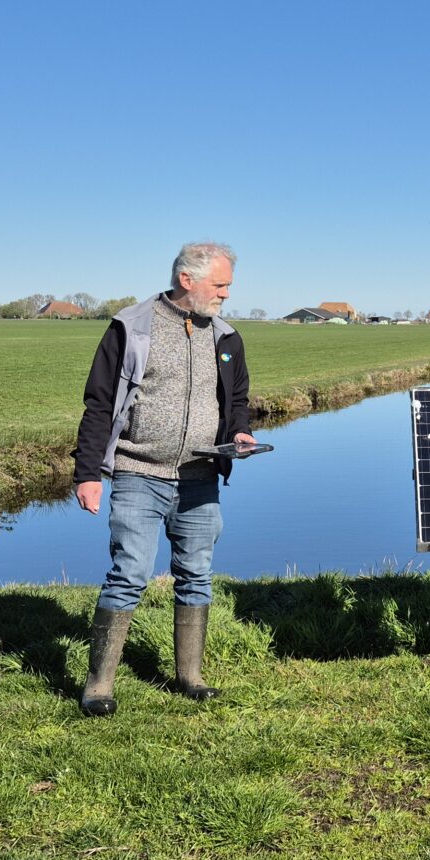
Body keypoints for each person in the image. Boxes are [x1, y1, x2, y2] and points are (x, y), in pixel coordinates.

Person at [71, 242, 255, 715]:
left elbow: (237, 400)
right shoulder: (132, 326)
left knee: (196, 575)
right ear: (187, 280)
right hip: (138, 472)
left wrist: (239, 432)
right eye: (220, 285)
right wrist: (88, 473)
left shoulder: (227, 337)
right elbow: (99, 404)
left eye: (228, 286)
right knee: (129, 574)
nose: (226, 294)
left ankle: (190, 678)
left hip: (201, 477)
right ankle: (98, 687)